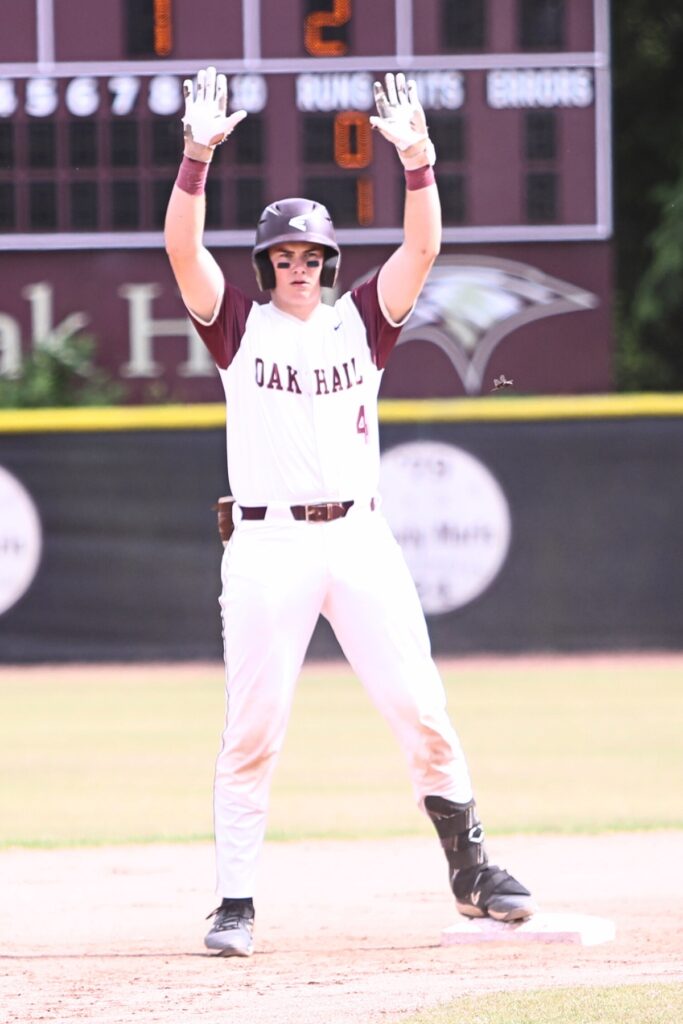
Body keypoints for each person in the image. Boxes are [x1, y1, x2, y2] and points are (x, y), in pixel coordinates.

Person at [164, 67, 534, 958]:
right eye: (283, 256)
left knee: (422, 708)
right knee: (253, 731)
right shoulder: (238, 329)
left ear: (330, 263)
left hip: (358, 537)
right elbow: (182, 253)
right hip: (267, 542)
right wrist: (194, 158)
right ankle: (236, 902)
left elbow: (421, 251)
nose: (297, 266)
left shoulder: (360, 323)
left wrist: (417, 163)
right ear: (264, 266)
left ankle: (474, 871)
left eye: (311, 255)